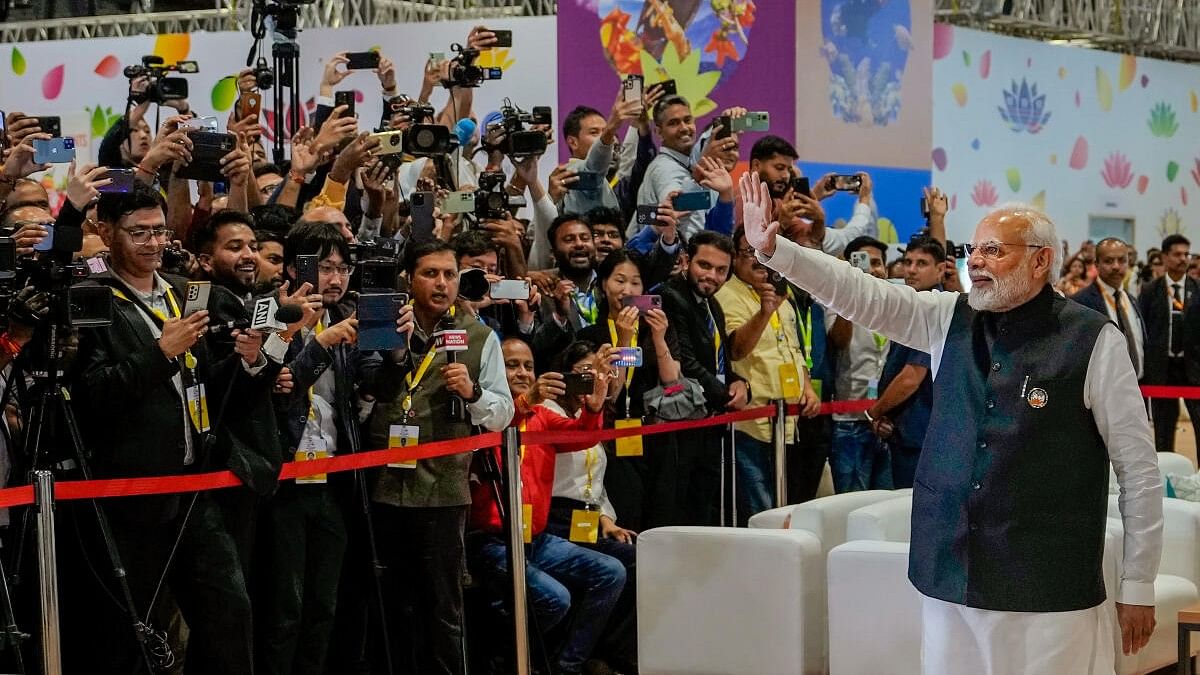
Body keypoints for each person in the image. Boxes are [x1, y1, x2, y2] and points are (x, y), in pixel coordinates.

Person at [742, 172, 1162, 673]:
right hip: (950, 572)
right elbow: (860, 294)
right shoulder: (947, 318)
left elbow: (1138, 469)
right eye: (973, 249)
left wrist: (1138, 583)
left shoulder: (1093, 340)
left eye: (993, 251)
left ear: (1040, 260)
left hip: (1049, 586)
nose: (975, 262)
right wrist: (779, 252)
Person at [366, 240, 514, 675]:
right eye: (431, 273)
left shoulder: (480, 336)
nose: (442, 283)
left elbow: (503, 413)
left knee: (442, 607)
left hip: (444, 491)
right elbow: (365, 391)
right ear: (408, 280)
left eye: (450, 275)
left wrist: (472, 392)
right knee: (388, 601)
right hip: (381, 485)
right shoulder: (383, 325)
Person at [469, 337, 625, 675]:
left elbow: (581, 437)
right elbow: (503, 421)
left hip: (534, 539)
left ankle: (565, 666)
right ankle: (496, 658)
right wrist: (527, 400)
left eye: (528, 365)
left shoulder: (541, 416)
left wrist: (595, 407)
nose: (522, 372)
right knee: (555, 599)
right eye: (512, 365)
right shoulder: (483, 412)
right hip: (491, 540)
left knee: (611, 572)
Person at [716, 226, 820, 522]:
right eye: (749, 253)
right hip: (752, 421)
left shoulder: (780, 293)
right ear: (735, 258)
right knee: (761, 509)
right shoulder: (727, 295)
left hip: (787, 419)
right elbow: (735, 350)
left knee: (785, 505)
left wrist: (808, 388)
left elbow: (794, 349)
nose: (757, 260)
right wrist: (763, 313)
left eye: (763, 253)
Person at [659, 231, 747, 525]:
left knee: (706, 504)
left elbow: (720, 358)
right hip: (680, 424)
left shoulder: (713, 303)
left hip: (710, 420)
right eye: (704, 265)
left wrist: (739, 383)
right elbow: (686, 362)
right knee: (683, 508)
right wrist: (726, 395)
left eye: (721, 270)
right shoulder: (670, 296)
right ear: (685, 261)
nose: (712, 275)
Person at [866, 237, 944, 489]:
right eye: (908, 262)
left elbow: (912, 377)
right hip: (908, 431)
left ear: (941, 269)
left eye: (921, 263)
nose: (911, 269)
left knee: (911, 513)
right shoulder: (915, 306)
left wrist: (875, 412)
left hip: (921, 435)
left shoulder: (933, 309)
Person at [826, 236, 892, 492]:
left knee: (886, 504)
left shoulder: (895, 303)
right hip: (850, 421)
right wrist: (850, 298)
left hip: (886, 422)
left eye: (877, 263)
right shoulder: (837, 300)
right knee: (852, 503)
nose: (873, 269)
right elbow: (839, 341)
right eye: (864, 262)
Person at [1138, 234, 1200, 452]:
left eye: (1187, 254)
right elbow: (1142, 330)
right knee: (1163, 433)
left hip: (1193, 368)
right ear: (1164, 257)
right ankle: (1165, 479)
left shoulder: (1197, 288)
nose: (1184, 259)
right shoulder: (1149, 290)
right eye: (1177, 254)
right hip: (1161, 369)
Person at [1073, 238, 1145, 381]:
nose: (1116, 266)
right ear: (1097, 265)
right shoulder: (1081, 302)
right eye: (1108, 261)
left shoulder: (1132, 300)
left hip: (1138, 387)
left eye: (1122, 260)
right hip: (1101, 388)